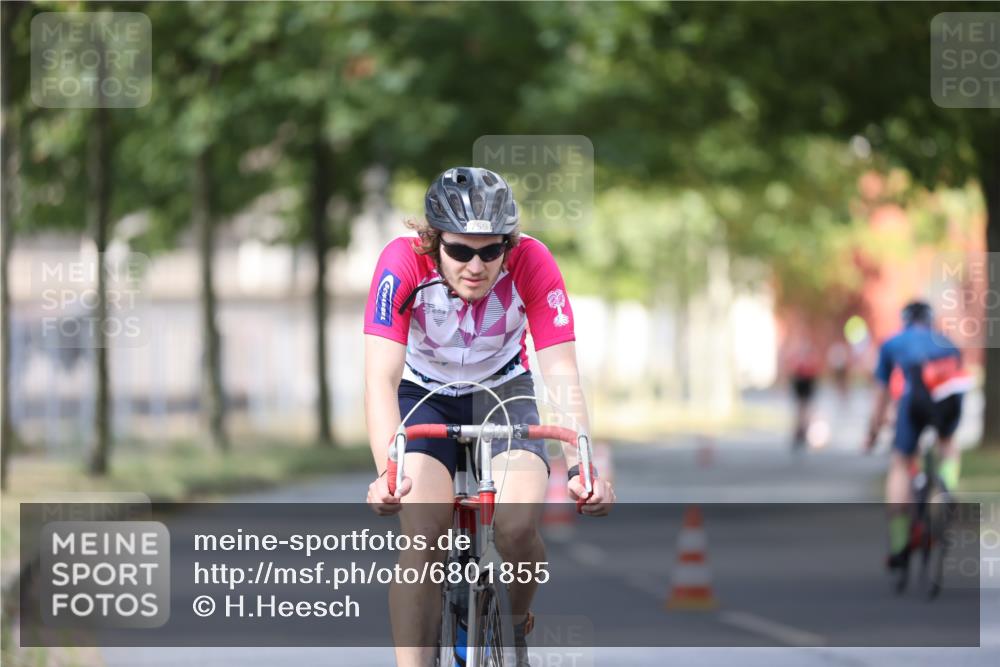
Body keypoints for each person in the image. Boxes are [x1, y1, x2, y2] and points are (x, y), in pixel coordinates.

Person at [363, 166, 615, 667]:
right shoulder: (401, 263)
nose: (475, 265)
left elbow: (561, 372)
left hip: (503, 388)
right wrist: (387, 474)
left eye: (490, 250)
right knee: (424, 533)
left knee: (518, 525)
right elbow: (380, 379)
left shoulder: (533, 261)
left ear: (508, 244)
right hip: (423, 394)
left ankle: (513, 626)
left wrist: (582, 467)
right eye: (459, 251)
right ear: (434, 242)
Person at [864, 300, 971, 570]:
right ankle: (947, 486)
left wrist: (874, 431)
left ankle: (900, 545)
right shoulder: (948, 341)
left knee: (900, 462)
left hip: (915, 397)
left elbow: (881, 395)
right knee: (947, 444)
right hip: (949, 392)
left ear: (905, 320)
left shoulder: (893, 343)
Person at [787, 341, 821, 450]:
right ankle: (800, 430)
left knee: (803, 407)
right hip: (802, 382)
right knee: (802, 407)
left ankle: (802, 430)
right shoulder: (804, 356)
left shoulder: (807, 356)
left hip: (805, 381)